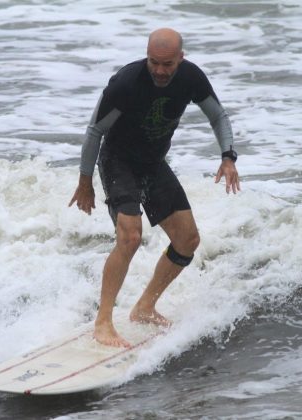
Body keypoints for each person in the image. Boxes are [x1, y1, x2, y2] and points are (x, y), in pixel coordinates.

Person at [69, 28, 240, 348]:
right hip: (118, 161)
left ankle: (145, 307)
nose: (160, 71)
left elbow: (217, 115)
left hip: (152, 163)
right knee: (130, 235)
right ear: (147, 56)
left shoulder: (191, 78)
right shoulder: (127, 83)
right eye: (154, 63)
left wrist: (228, 157)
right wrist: (85, 181)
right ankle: (103, 321)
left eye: (168, 64)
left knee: (187, 240)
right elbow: (95, 131)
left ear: (181, 59)